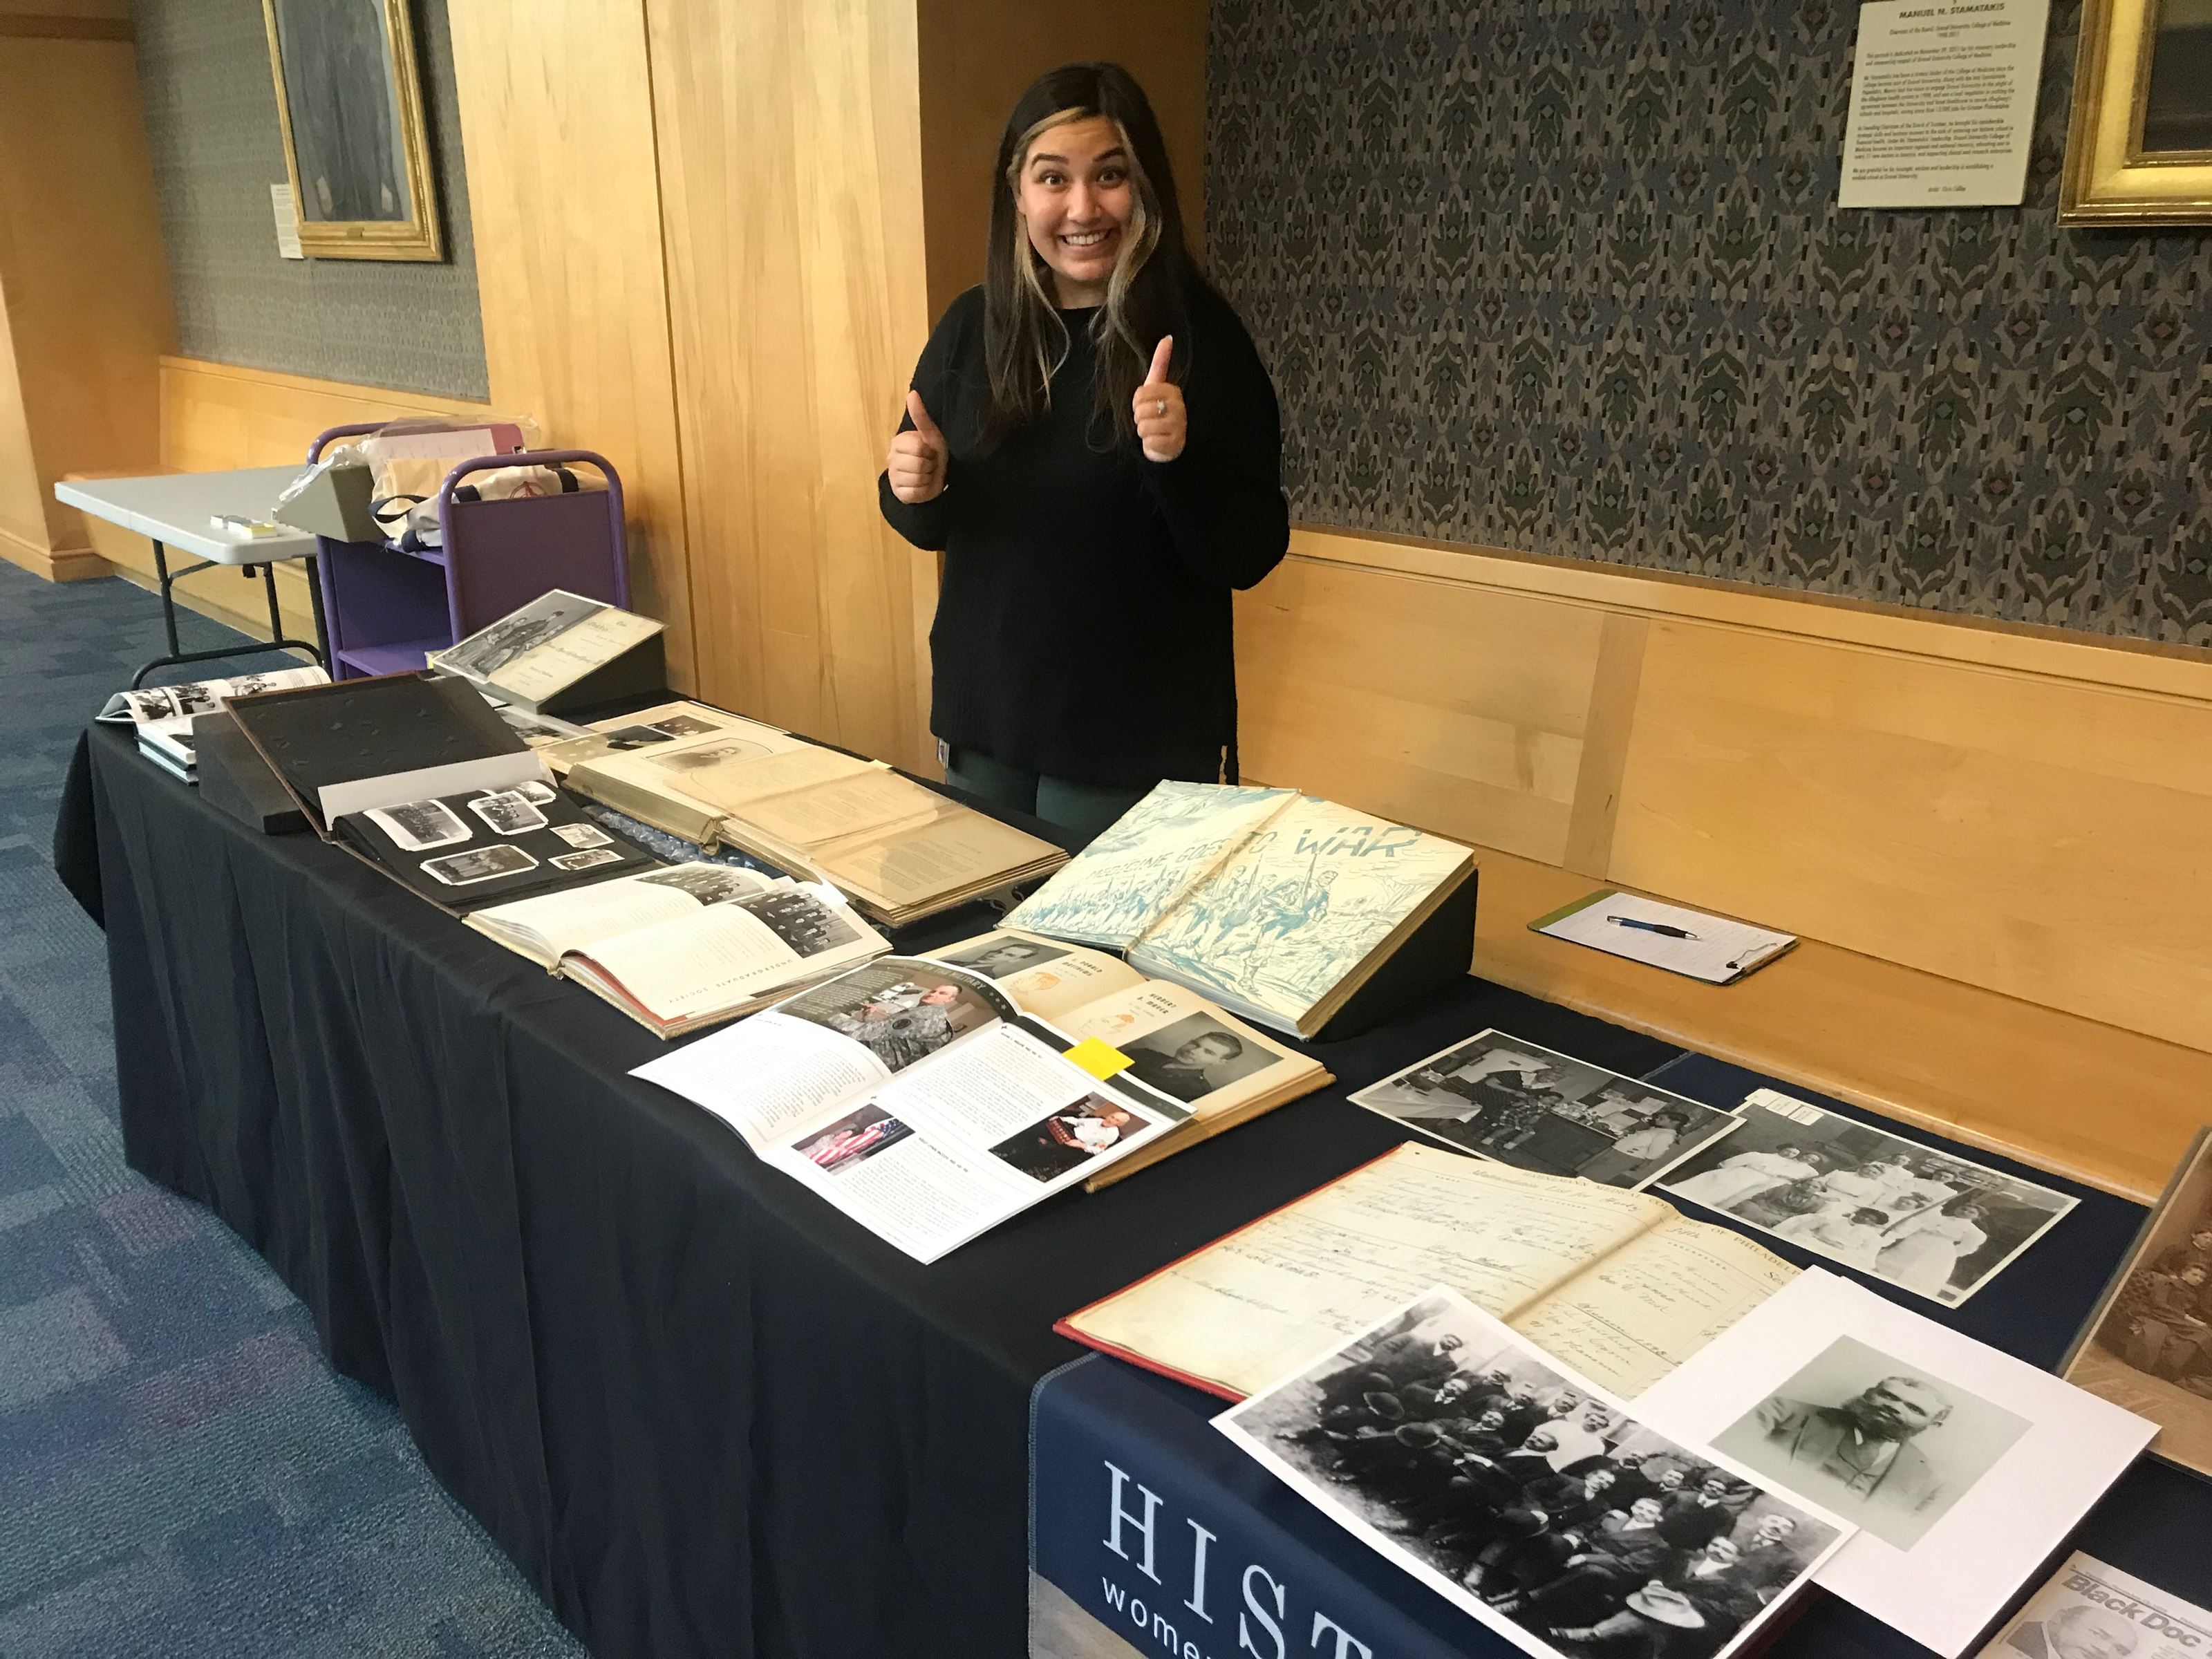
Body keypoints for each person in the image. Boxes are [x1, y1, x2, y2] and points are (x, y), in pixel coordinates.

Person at [879, 62, 1289, 841]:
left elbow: (1248, 550)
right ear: (1017, 191)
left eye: (1109, 175)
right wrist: (914, 490)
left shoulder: (1199, 339)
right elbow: (932, 521)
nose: (1080, 208)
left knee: (1089, 964)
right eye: (1052, 178)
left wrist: (1177, 459)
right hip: (985, 720)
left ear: (1146, 186)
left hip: (1127, 740)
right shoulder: (975, 327)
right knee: (983, 947)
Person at [1746, 1374, 1951, 1516]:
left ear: (1933, 1425)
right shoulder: (1781, 1413)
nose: (1893, 1407)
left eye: (1915, 1409)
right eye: (1888, 1396)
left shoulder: (1929, 1483)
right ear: (1868, 1393)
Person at [1875, 1198, 1991, 1297]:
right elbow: (1920, 1225)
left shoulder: (1974, 1231)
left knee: (1921, 1270)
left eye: (1971, 1212)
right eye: (1963, 1209)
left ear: (1977, 1217)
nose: (1965, 1212)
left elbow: (1968, 1247)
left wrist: (1950, 1253)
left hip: (1940, 1249)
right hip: (1916, 1241)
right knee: (1899, 1259)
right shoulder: (1939, 1218)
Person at [1667, 1145, 1820, 1211]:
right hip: (1744, 1175)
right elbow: (1728, 1164)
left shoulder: (1808, 1172)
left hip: (1765, 1184)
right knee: (1715, 1185)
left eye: (1813, 1160)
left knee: (1732, 1197)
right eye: (1788, 1152)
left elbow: (1803, 1182)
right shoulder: (1760, 1156)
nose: (1790, 1155)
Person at [1123, 1028, 1246, 1102]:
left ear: (1220, 1062)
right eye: (1195, 1044)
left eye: (1208, 1052)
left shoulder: (1195, 1091)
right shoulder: (1142, 1053)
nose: (1192, 1051)